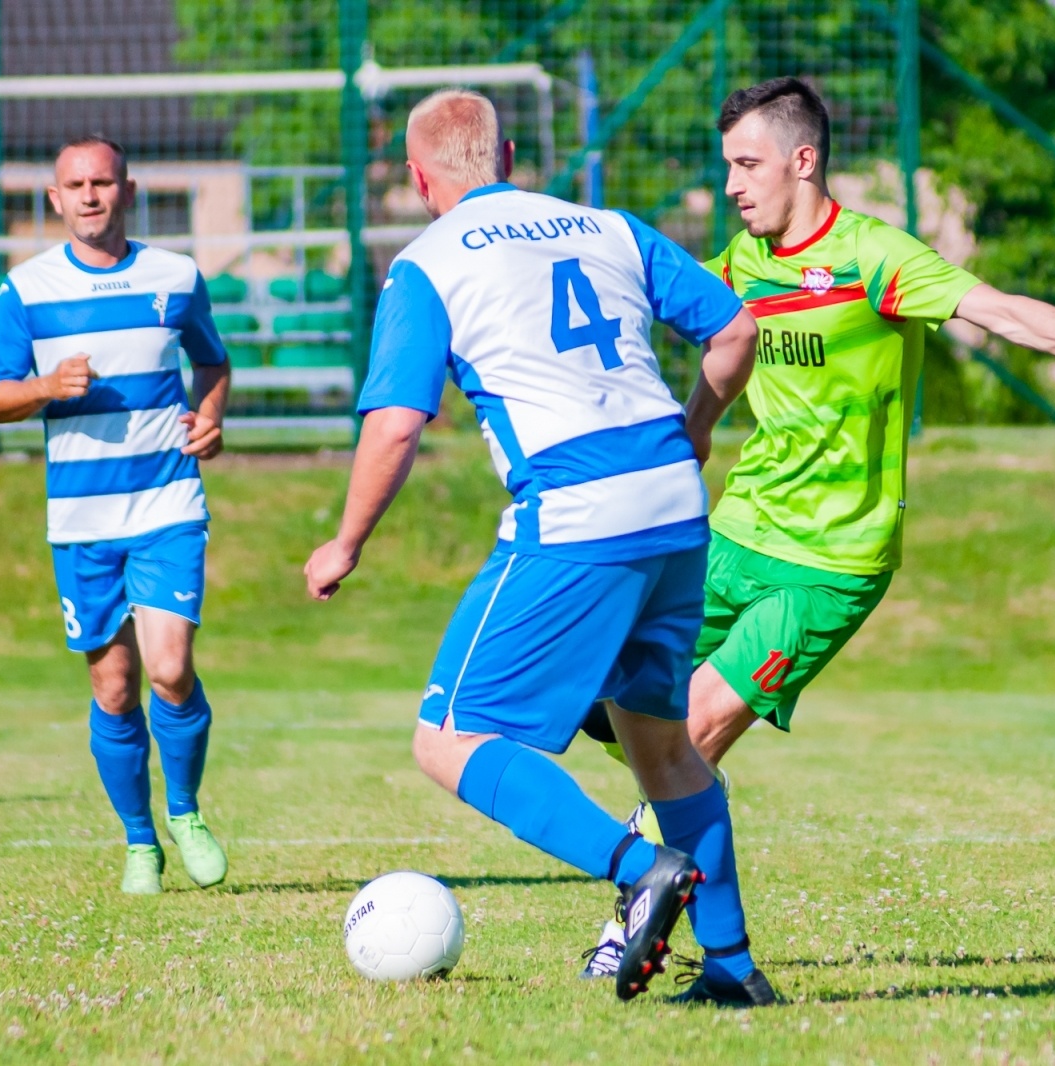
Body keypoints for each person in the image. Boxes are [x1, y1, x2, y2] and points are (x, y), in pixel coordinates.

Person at [578, 76, 1055, 973]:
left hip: (830, 563)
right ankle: (692, 905)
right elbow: (716, 353)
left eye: (745, 164)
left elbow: (998, 309)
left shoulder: (877, 258)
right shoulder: (741, 263)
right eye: (727, 165)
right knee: (623, 711)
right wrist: (687, 430)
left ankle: (640, 918)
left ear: (803, 161)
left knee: (691, 729)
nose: (731, 184)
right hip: (731, 533)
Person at [302, 89, 774, 1006]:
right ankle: (733, 972)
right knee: (665, 751)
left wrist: (345, 541)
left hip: (576, 513)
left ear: (417, 178)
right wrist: (699, 427)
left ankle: (639, 869)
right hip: (674, 506)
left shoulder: (426, 263)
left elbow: (397, 424)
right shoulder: (608, 227)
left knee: (448, 737)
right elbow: (735, 329)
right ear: (509, 153)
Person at [0, 135, 233, 895]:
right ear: (54, 200)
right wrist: (46, 386)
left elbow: (212, 361)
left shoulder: (176, 276)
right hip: (82, 522)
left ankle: (184, 812)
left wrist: (210, 415)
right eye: (74, 185)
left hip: (167, 503)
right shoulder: (27, 290)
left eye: (103, 182)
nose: (90, 195)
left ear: (128, 190)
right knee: (115, 689)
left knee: (169, 668)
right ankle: (140, 842)